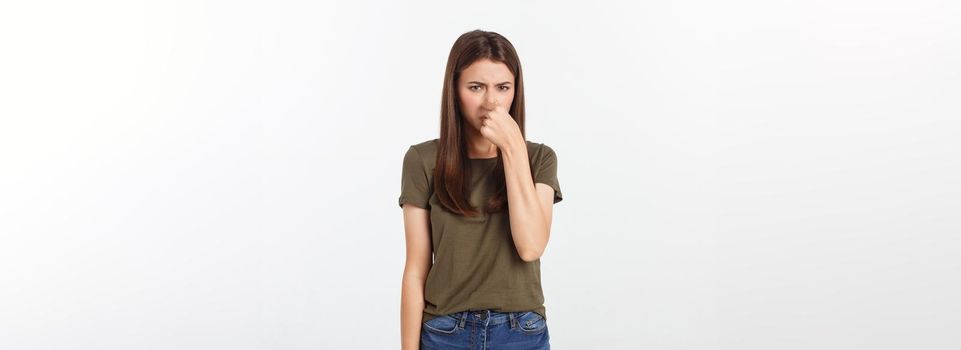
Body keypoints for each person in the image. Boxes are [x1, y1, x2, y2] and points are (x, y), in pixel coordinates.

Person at [398, 29, 563, 350]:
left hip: (521, 331)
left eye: (503, 88)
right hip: (445, 331)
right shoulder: (422, 160)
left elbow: (530, 247)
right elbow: (415, 270)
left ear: (516, 91)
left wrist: (513, 147)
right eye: (476, 87)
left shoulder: (539, 158)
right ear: (455, 91)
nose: (491, 101)